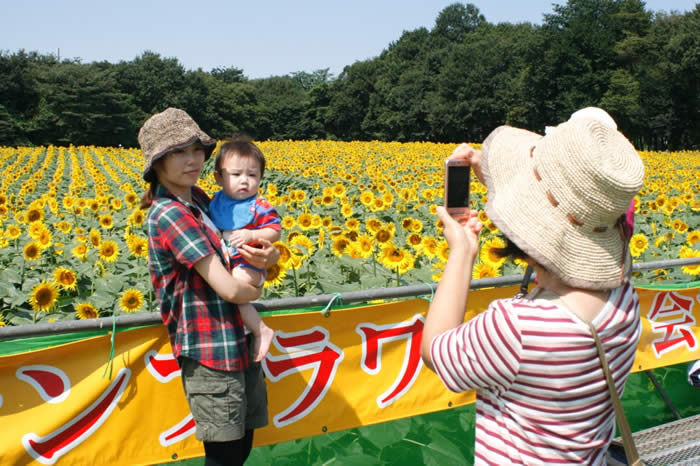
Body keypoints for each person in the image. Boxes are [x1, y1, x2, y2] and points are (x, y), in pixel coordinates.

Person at [420, 113, 645, 464]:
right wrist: (503, 181)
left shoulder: (516, 328)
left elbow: (435, 351)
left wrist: (461, 253)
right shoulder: (624, 297)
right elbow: (570, 224)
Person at [139, 107, 280, 466]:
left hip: (236, 339)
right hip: (209, 349)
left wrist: (269, 256)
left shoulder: (201, 199)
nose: (192, 160)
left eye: (197, 150)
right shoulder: (169, 212)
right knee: (224, 453)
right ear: (157, 162)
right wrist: (257, 288)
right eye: (179, 153)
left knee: (242, 441)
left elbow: (252, 246)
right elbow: (231, 290)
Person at [209, 137, 281, 362]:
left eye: (252, 175)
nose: (244, 181)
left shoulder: (258, 206)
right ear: (219, 178)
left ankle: (260, 329)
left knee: (234, 285)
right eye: (236, 174)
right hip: (228, 261)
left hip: (247, 263)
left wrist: (253, 235)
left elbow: (275, 230)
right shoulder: (214, 202)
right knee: (230, 289)